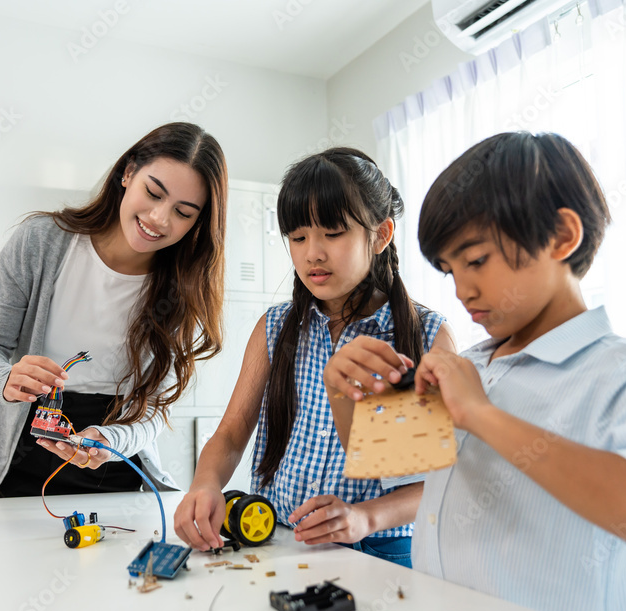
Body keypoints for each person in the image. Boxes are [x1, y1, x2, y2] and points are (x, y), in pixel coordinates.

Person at [324, 132, 626, 611]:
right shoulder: (470, 366)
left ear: (560, 236)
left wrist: (482, 416)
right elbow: (385, 461)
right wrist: (342, 393)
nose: (462, 290)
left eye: (477, 260)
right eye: (450, 270)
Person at [174, 148, 454, 566]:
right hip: (276, 539)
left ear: (380, 235)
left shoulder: (424, 336)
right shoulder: (276, 327)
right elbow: (232, 434)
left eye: (333, 233)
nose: (312, 254)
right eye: (299, 237)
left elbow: (435, 481)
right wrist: (204, 484)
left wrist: (364, 517)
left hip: (380, 551)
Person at [0, 122, 228, 498]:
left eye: (183, 213)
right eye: (153, 193)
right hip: (19, 463)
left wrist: (109, 439)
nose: (159, 219)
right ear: (128, 172)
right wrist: (6, 381)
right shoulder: (40, 242)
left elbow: (153, 409)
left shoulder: (183, 289)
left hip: (115, 466)